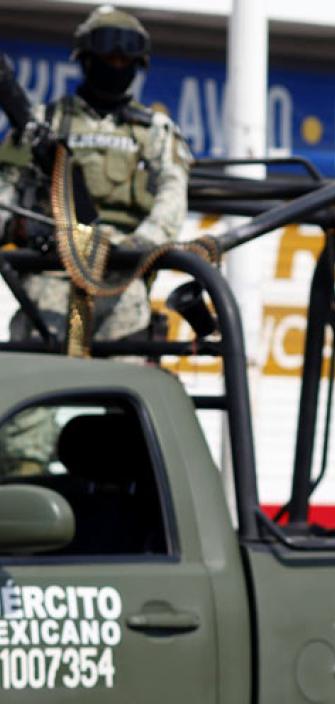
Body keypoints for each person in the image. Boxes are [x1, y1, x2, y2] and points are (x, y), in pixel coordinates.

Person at [0, 5, 192, 477]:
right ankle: (24, 488)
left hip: (119, 282)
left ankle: (120, 495)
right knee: (26, 405)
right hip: (49, 278)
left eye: (127, 59)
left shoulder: (155, 132)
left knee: (125, 400)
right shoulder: (43, 124)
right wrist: (27, 229)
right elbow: (5, 198)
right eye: (106, 55)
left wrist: (132, 248)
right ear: (84, 58)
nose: (116, 66)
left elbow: (171, 199)